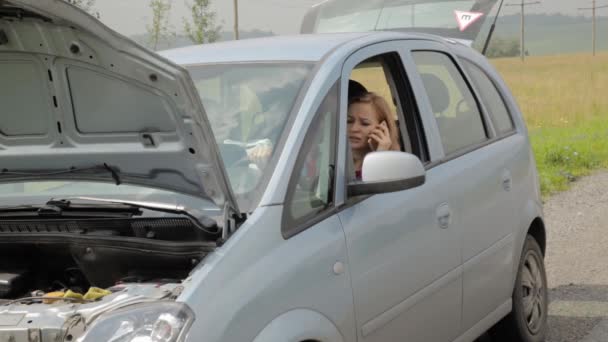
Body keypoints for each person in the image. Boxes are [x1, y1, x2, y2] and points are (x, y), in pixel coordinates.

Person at [348, 91, 401, 180]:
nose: (354, 129)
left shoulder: (392, 166)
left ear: (383, 128)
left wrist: (380, 154)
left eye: (365, 123)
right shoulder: (332, 159)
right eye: (349, 121)